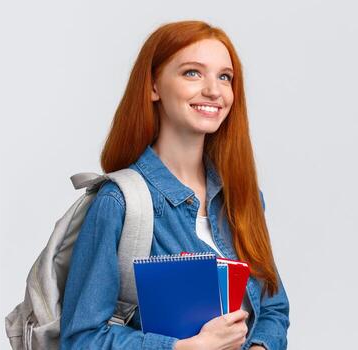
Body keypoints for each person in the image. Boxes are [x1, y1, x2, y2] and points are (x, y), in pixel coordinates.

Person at [59, 20, 290, 350]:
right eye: (192, 73)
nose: (214, 90)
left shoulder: (243, 198)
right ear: (154, 86)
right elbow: (81, 338)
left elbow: (273, 308)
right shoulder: (119, 202)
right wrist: (186, 348)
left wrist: (259, 346)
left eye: (225, 77)